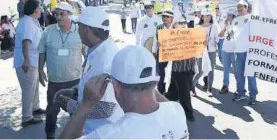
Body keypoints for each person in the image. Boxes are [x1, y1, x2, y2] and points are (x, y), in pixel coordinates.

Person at [59, 45, 189, 139]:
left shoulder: (110, 135)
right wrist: (146, 83)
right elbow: (162, 102)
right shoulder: (177, 110)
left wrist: (85, 104)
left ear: (116, 89)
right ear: (155, 82)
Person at [54, 6, 123, 134]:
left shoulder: (105, 59)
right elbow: (92, 83)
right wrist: (75, 91)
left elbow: (106, 108)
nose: (77, 30)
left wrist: (69, 105)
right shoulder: (98, 49)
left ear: (86, 29)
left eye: (79, 27)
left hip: (102, 131)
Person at [38, 2, 84, 139]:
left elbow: (88, 54)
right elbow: (42, 52)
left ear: (69, 14)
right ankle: (50, 135)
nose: (58, 17)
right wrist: (40, 70)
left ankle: (77, 136)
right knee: (51, 112)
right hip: (55, 82)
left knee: (75, 113)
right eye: (56, 14)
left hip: (75, 81)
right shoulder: (48, 31)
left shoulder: (79, 32)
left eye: (62, 14)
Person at [13, 0, 46, 126]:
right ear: (34, 10)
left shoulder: (32, 21)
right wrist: (26, 60)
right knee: (28, 89)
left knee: (34, 87)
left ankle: (35, 107)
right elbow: (26, 42)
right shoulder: (27, 22)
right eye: (39, 7)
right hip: (27, 62)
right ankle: (27, 117)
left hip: (33, 60)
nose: (41, 9)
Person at [165, 14, 196, 122]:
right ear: (175, 26)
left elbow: (198, 50)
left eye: (184, 23)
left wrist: (203, 44)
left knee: (173, 92)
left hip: (190, 69)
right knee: (184, 93)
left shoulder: (192, 36)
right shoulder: (171, 38)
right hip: (179, 70)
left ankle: (165, 105)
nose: (182, 25)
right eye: (180, 23)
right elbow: (166, 51)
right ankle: (189, 112)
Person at [233, 0, 258, 105]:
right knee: (239, 74)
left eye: (241, 7)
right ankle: (241, 93)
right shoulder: (235, 20)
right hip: (238, 52)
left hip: (249, 52)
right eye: (238, 7)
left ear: (246, 7)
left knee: (250, 75)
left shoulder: (252, 18)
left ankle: (253, 96)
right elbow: (231, 34)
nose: (239, 8)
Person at [152, 10, 174, 94]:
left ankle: (172, 92)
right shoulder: (159, 27)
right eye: (164, 16)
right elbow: (155, 40)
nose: (165, 18)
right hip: (162, 54)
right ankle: (161, 91)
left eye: (167, 17)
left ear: (172, 18)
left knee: (173, 73)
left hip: (173, 55)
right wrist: (154, 51)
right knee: (162, 73)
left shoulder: (176, 28)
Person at [197, 10, 218, 96]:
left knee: (211, 70)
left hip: (211, 51)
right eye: (205, 16)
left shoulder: (214, 27)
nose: (207, 17)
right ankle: (192, 86)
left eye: (209, 16)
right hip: (200, 52)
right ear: (202, 17)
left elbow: (217, 39)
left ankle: (209, 89)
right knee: (200, 70)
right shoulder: (198, 27)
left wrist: (212, 41)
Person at [218, 9, 236, 94]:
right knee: (226, 70)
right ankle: (225, 86)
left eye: (229, 15)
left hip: (234, 51)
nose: (227, 17)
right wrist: (225, 27)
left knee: (237, 71)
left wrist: (230, 27)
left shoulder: (237, 25)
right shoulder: (226, 25)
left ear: (233, 16)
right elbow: (220, 35)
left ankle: (239, 88)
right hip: (225, 50)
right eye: (227, 15)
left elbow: (231, 36)